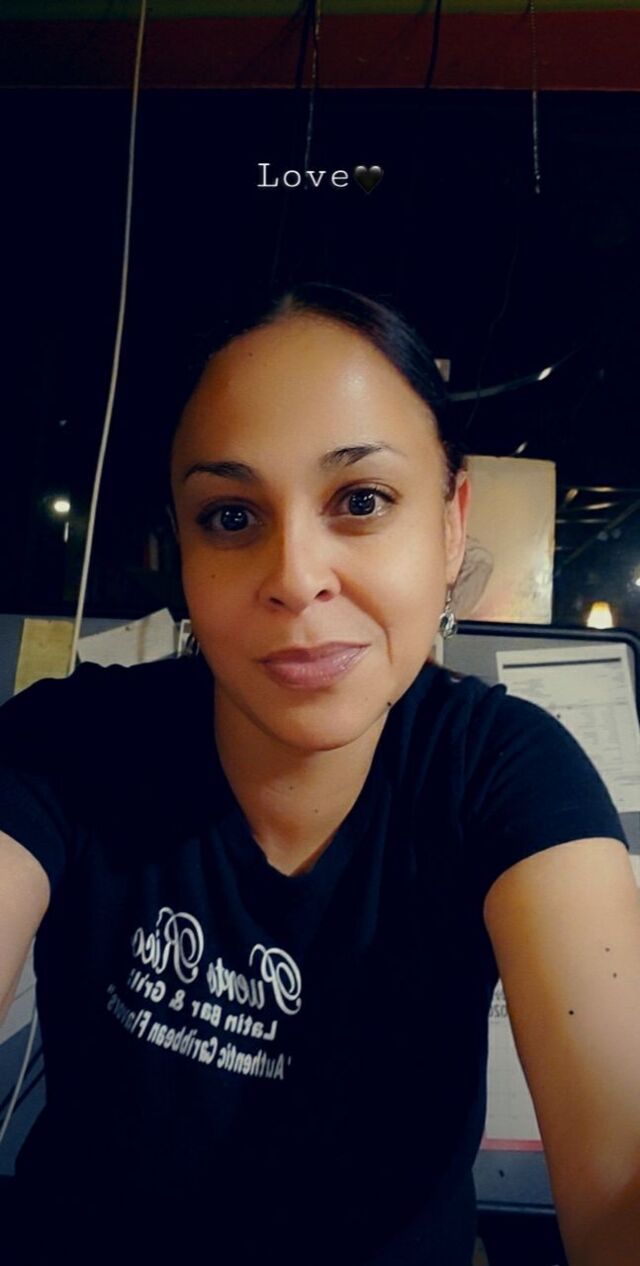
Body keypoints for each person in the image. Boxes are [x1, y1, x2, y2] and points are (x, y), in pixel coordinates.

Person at [0, 282, 638, 1266]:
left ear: (452, 522)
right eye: (229, 516)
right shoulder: (69, 746)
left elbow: (621, 1170)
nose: (296, 577)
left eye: (361, 501)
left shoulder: (503, 774)